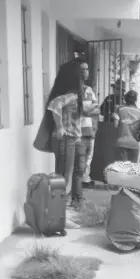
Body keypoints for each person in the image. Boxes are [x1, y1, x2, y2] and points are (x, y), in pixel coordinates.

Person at [46, 60, 90, 210]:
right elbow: (54, 105)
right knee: (63, 177)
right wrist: (60, 127)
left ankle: (58, 214)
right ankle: (58, 215)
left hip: (69, 139)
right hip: (66, 139)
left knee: (63, 176)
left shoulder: (70, 94)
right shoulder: (72, 95)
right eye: (80, 73)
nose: (83, 75)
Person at [77, 60, 99, 189]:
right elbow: (82, 110)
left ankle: (86, 179)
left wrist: (88, 109)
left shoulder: (89, 90)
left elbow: (97, 110)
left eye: (86, 69)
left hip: (90, 129)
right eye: (82, 69)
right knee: (79, 158)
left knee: (88, 157)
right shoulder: (74, 90)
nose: (84, 72)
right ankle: (77, 184)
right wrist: (89, 108)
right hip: (78, 129)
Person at [113, 90, 140, 162]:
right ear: (135, 100)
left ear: (125, 98)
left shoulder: (120, 109)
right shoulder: (139, 112)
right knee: (132, 170)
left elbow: (115, 125)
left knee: (121, 169)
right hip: (134, 144)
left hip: (121, 143)